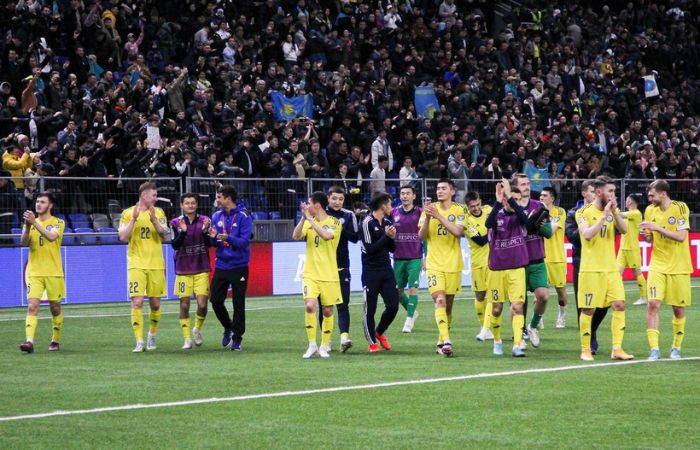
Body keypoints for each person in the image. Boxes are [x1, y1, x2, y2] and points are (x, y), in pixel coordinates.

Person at [575, 176, 633, 361]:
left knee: (619, 305)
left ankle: (617, 348)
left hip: (610, 269)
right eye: (610, 191)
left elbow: (624, 230)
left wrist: (614, 214)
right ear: (599, 192)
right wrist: (604, 216)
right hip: (591, 269)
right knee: (588, 310)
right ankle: (585, 349)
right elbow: (587, 234)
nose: (613, 195)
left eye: (614, 191)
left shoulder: (612, 212)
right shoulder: (583, 212)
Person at [640, 180, 692, 360]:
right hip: (657, 265)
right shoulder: (649, 210)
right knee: (653, 304)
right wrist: (647, 235)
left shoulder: (680, 208)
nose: (649, 198)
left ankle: (676, 347)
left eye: (652, 195)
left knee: (678, 309)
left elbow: (681, 236)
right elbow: (649, 239)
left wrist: (657, 228)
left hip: (679, 266)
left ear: (663, 194)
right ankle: (654, 349)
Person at [118, 182, 170, 353]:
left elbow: (165, 235)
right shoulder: (127, 213)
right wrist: (133, 218)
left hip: (155, 263)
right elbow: (123, 237)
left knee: (155, 304)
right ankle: (139, 341)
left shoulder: (160, 212)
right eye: (153, 195)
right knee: (138, 302)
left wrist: (154, 219)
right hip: (136, 263)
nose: (156, 198)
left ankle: (152, 335)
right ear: (144, 196)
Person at [418, 178, 467, 357]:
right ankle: (447, 341)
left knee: (448, 308)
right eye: (438, 188)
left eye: (443, 188)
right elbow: (422, 236)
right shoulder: (428, 210)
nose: (439, 191)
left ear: (452, 191)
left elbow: (458, 232)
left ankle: (441, 341)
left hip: (453, 264)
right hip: (434, 264)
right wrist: (428, 219)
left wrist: (438, 216)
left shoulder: (460, 210)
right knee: (440, 300)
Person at [292, 191, 342, 359]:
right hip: (310, 273)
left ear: (317, 205)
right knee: (310, 306)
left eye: (309, 203)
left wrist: (310, 219)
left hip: (329, 274)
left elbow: (327, 235)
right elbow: (296, 236)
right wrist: (303, 218)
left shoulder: (334, 222)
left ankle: (324, 345)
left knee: (327, 311)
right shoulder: (308, 222)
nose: (307, 206)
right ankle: (312, 345)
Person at [485, 180, 530, 357]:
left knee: (518, 307)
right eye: (511, 199)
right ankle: (497, 341)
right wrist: (498, 201)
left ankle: (517, 344)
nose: (514, 202)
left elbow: (526, 219)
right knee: (496, 309)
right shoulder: (496, 215)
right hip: (497, 269)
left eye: (517, 200)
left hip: (517, 269)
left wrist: (510, 197)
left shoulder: (521, 216)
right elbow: (488, 224)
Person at [18, 193, 66, 353]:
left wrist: (34, 224)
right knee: (32, 306)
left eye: (42, 202)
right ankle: (29, 342)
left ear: (50, 205)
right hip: (34, 273)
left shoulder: (58, 223)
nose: (38, 204)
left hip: (54, 272)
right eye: (37, 201)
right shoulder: (30, 223)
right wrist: (27, 226)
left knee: (55, 308)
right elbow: (23, 243)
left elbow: (51, 237)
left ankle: (55, 339)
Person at [207, 185, 252, 351]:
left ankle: (237, 338)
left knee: (238, 303)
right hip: (221, 264)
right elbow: (213, 243)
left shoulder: (244, 216)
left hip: (239, 266)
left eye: (219, 197)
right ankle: (228, 326)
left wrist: (228, 238)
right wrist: (212, 238)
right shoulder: (216, 216)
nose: (217, 200)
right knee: (215, 301)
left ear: (228, 198)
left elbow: (244, 242)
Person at [512, 173, 552, 349]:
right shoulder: (510, 208)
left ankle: (533, 326)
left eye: (528, 183)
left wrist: (537, 224)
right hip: (518, 261)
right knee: (518, 303)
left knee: (543, 297)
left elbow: (549, 233)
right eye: (522, 184)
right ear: (515, 187)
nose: (527, 187)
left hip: (536, 259)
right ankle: (518, 335)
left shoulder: (538, 206)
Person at [170, 194, 211, 349]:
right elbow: (174, 245)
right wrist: (184, 232)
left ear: (197, 205)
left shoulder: (205, 220)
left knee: (202, 304)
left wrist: (206, 232)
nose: (190, 206)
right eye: (187, 203)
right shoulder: (175, 223)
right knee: (184, 304)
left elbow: (210, 243)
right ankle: (187, 338)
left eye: (193, 203)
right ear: (182, 205)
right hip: (183, 270)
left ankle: (197, 329)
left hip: (201, 267)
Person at [360, 192, 400, 352]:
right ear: (383, 205)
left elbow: (392, 249)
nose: (391, 207)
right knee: (370, 309)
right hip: (371, 272)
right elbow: (369, 249)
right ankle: (372, 343)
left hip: (386, 269)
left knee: (393, 306)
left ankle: (379, 332)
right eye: (389, 204)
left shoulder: (388, 222)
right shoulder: (367, 223)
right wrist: (386, 236)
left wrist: (391, 238)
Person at [323, 186, 359, 352]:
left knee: (343, 303)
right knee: (325, 305)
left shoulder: (348, 215)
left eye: (340, 199)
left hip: (342, 265)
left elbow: (354, 238)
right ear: (328, 198)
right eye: (334, 198)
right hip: (323, 267)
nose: (337, 202)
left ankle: (344, 337)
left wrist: (338, 228)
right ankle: (326, 340)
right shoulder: (321, 214)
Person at [391, 185, 423, 333]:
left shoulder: (420, 213)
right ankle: (413, 312)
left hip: (415, 257)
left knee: (413, 288)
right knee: (397, 292)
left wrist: (426, 256)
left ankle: (409, 320)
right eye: (402, 193)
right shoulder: (393, 213)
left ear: (414, 196)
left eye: (408, 193)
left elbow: (426, 237)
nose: (405, 196)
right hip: (398, 258)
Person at [465, 191, 495, 341]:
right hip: (477, 263)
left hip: (493, 262)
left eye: (477, 205)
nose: (476, 208)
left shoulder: (489, 210)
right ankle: (483, 325)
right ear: (468, 207)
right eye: (472, 206)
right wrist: (493, 228)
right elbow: (481, 240)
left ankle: (486, 328)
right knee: (479, 296)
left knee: (491, 296)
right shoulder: (467, 221)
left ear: (480, 201)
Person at [540, 186, 568, 328]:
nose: (541, 197)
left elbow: (551, 230)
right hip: (541, 257)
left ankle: (562, 314)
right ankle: (539, 318)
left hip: (557, 258)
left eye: (545, 195)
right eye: (541, 195)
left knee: (560, 290)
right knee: (540, 291)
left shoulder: (560, 212)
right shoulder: (537, 211)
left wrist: (538, 224)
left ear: (552, 198)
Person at [616, 194, 647, 306]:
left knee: (636, 272)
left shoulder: (636, 213)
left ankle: (643, 297)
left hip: (632, 248)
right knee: (617, 272)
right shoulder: (627, 215)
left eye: (627, 199)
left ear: (632, 201)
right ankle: (618, 296)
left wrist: (613, 208)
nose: (626, 201)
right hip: (622, 248)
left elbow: (619, 214)